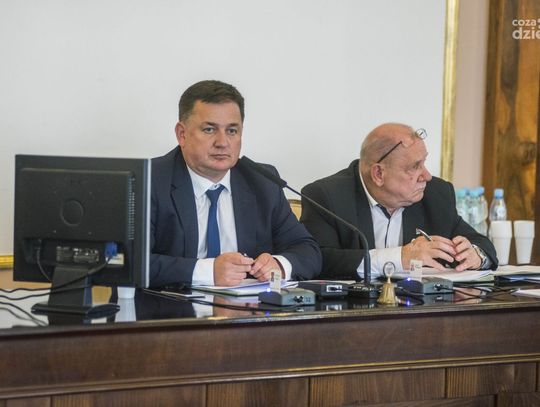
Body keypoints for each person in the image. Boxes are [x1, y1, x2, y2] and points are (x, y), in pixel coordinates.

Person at [151, 80, 321, 288]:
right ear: (182, 134)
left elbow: (307, 250)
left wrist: (279, 265)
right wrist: (209, 271)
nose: (222, 143)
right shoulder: (150, 180)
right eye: (209, 129)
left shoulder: (263, 181)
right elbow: (130, 262)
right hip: (171, 306)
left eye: (232, 131)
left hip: (248, 306)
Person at [300, 123, 498, 280]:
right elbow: (319, 260)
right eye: (415, 167)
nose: (427, 176)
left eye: (424, 162)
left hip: (419, 311)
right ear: (379, 173)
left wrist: (475, 255)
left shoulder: (436, 194)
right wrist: (400, 257)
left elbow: (481, 243)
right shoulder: (326, 196)